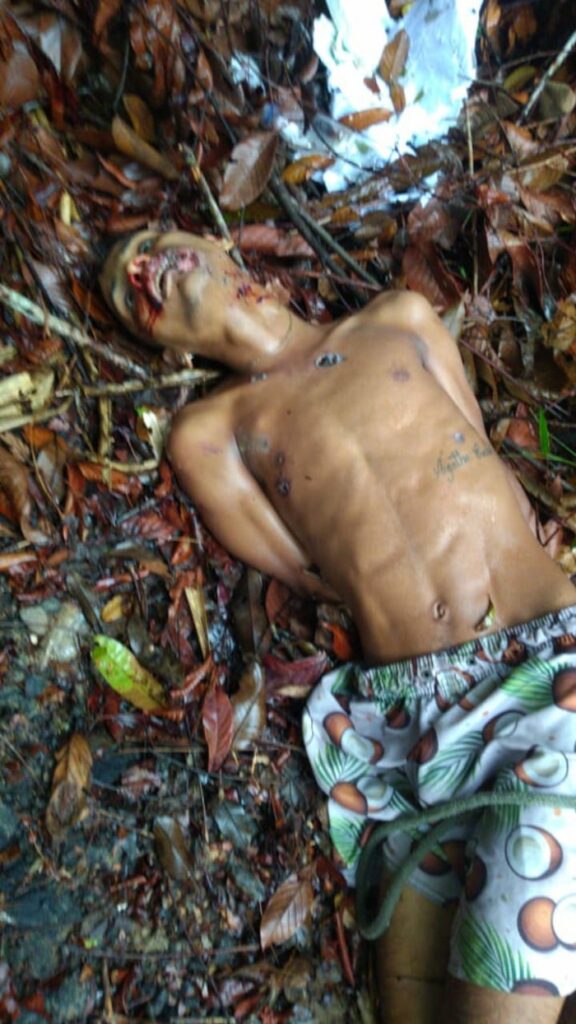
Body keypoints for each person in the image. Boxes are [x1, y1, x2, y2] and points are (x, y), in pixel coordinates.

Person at [100, 229, 576, 1024]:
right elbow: (306, 571)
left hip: (550, 663)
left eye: (148, 245)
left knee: (514, 940)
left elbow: (476, 447)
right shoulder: (209, 433)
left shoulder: (400, 318)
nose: (147, 269)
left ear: (213, 240)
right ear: (163, 344)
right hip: (416, 724)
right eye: (129, 288)